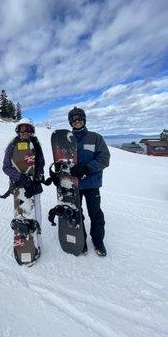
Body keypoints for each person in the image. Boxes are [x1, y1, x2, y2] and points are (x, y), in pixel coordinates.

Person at [68, 107, 110, 256]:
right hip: (74, 185)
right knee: (77, 214)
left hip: (91, 184)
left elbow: (104, 159)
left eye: (79, 118)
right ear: (70, 122)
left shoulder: (95, 137)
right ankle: (81, 240)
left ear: (84, 119)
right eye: (74, 119)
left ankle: (98, 241)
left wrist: (87, 168)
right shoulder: (67, 139)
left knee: (95, 213)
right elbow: (62, 159)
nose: (77, 121)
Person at [2, 119, 45, 249]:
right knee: (22, 214)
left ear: (32, 131)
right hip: (19, 186)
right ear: (18, 130)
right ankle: (23, 242)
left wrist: (37, 177)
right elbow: (6, 167)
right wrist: (21, 177)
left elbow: (40, 162)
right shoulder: (12, 145)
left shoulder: (35, 143)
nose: (25, 132)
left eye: (28, 129)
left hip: (34, 185)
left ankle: (38, 242)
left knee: (37, 214)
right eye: (22, 129)